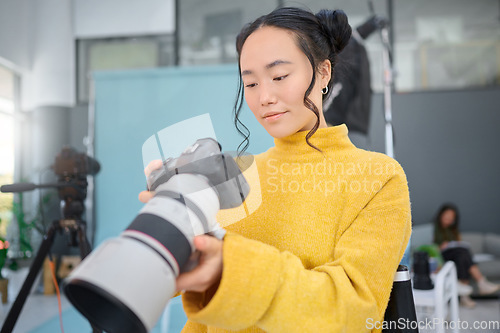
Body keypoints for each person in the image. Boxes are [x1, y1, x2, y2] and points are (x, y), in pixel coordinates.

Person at [140, 7, 411, 332]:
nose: (264, 97)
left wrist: (229, 267)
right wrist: (179, 233)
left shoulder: (378, 178)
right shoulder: (235, 176)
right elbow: (202, 321)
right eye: (250, 83)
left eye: (279, 76)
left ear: (324, 73)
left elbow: (352, 312)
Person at [433, 203, 500, 308]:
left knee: (462, 254)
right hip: (442, 255)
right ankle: (481, 283)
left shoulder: (454, 231)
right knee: (463, 252)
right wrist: (441, 246)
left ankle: (466, 294)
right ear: (441, 215)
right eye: (447, 217)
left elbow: (458, 244)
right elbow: (429, 248)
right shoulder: (433, 229)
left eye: (451, 218)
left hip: (456, 255)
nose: (449, 220)